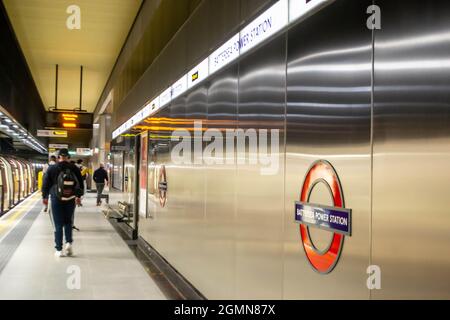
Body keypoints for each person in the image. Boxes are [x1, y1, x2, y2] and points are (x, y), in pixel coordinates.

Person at [42, 149, 84, 258]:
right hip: (70, 198)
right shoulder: (74, 168)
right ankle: (69, 243)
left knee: (58, 224)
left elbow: (45, 184)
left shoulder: (52, 168)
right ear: (68, 157)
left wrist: (45, 197)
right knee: (68, 221)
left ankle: (59, 250)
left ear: (58, 157)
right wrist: (78, 197)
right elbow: (80, 184)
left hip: (56, 198)